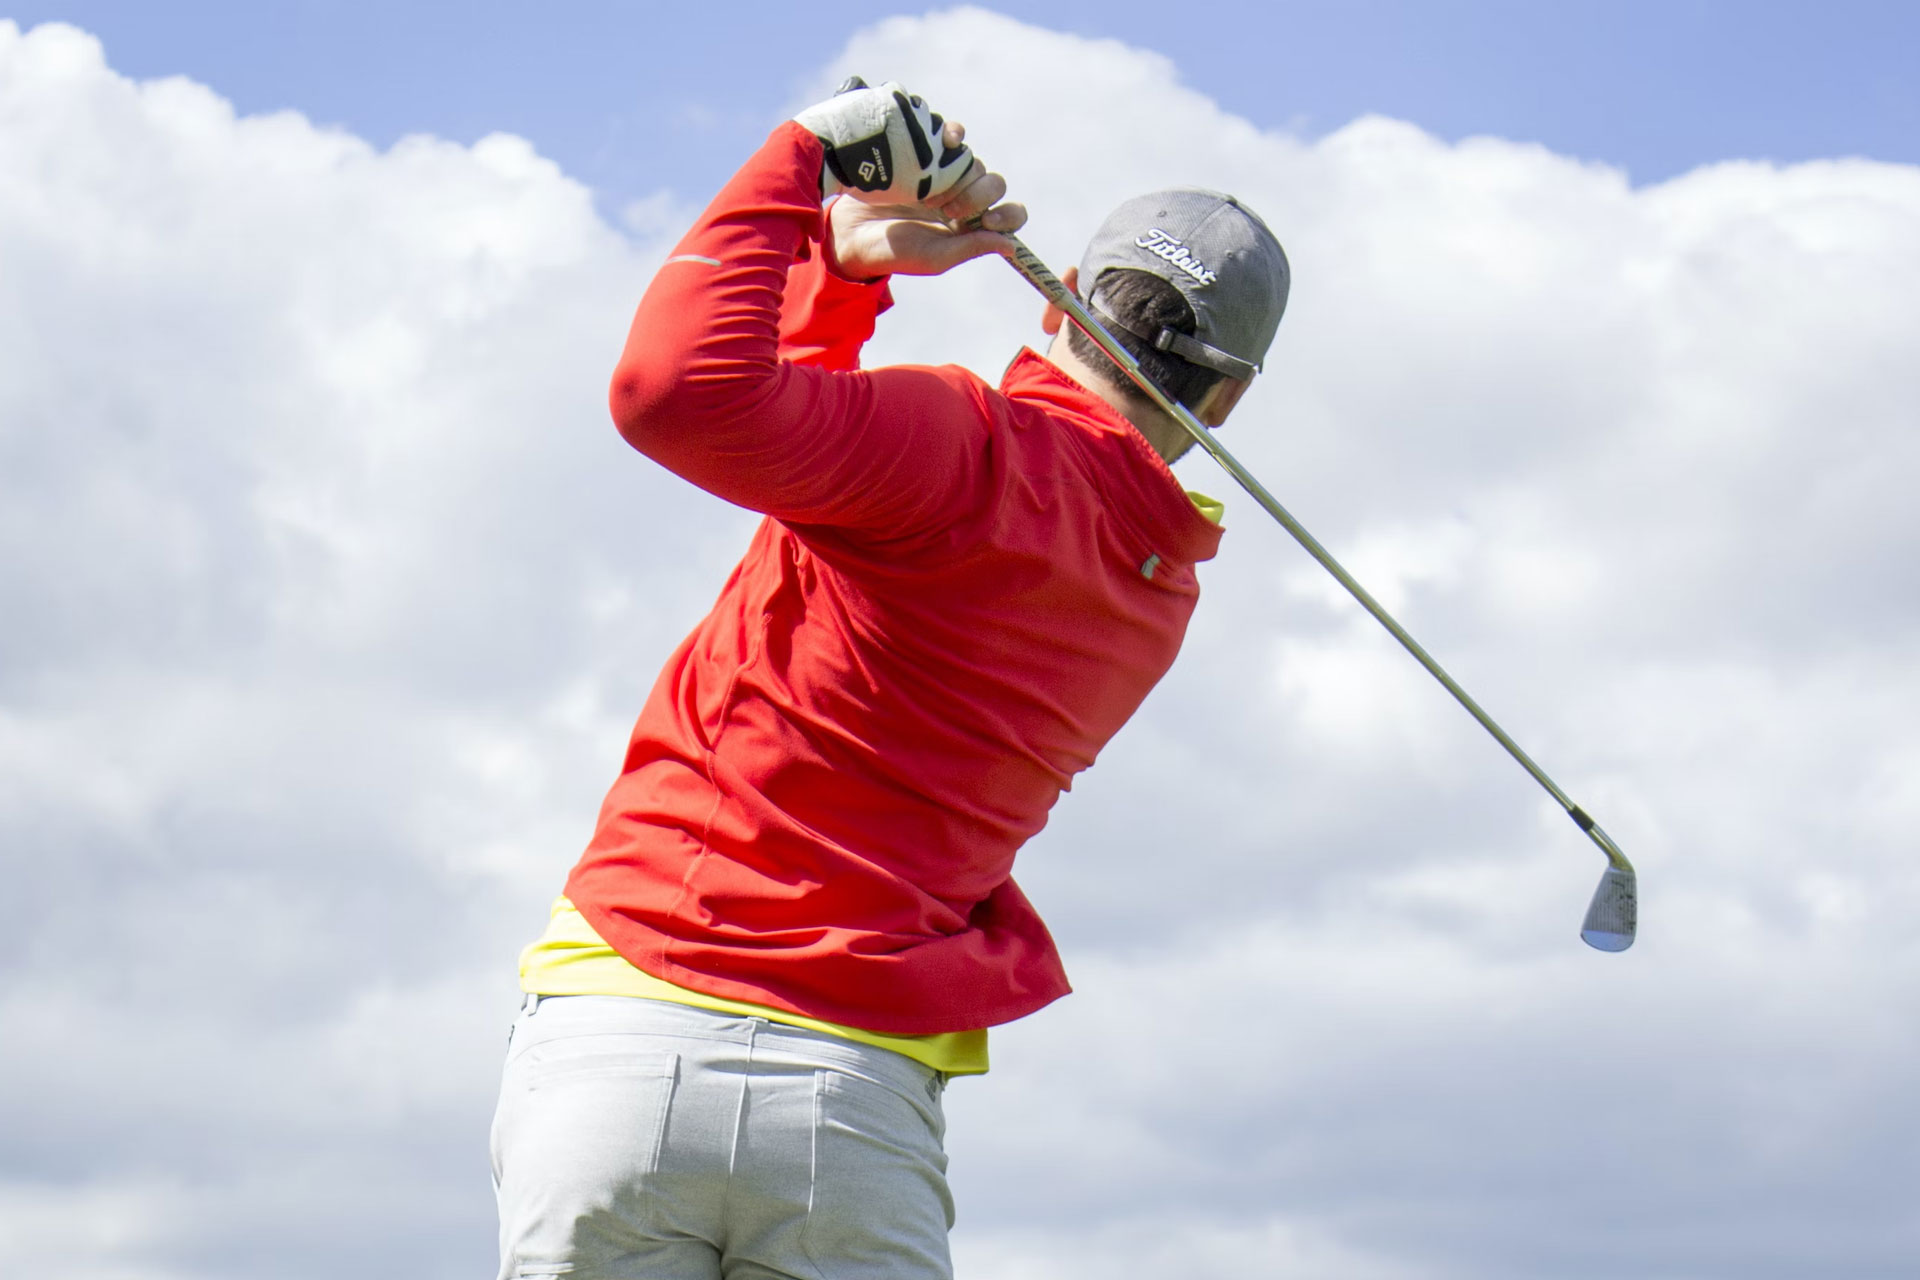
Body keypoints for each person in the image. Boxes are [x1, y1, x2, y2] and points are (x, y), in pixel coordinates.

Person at [490, 79, 1289, 1280]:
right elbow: (805, 472)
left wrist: (802, 161)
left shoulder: (960, 442)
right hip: (853, 1112)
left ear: (1061, 299)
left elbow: (677, 395)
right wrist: (843, 279)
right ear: (1226, 397)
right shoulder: (1155, 589)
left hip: (628, 1034)